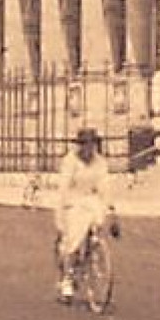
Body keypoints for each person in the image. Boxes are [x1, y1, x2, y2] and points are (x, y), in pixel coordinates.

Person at [53, 127, 115, 304]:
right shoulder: (70, 161)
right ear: (80, 146)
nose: (89, 148)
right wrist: (61, 213)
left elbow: (105, 186)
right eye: (85, 144)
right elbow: (63, 188)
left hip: (91, 199)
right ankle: (67, 278)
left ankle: (94, 247)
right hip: (73, 200)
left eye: (92, 144)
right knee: (73, 239)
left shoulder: (100, 162)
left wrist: (111, 209)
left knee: (98, 216)